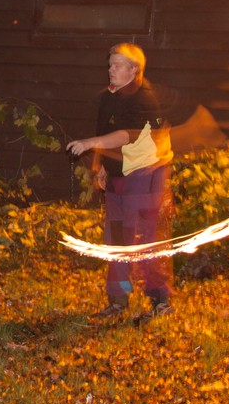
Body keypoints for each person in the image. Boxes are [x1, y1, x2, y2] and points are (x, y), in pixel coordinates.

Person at [66, 43, 175, 322]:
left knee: (144, 239)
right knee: (116, 238)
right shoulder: (110, 97)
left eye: (117, 65)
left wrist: (89, 143)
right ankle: (117, 300)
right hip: (118, 177)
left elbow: (126, 135)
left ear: (134, 70)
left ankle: (160, 301)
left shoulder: (144, 100)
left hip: (144, 177)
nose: (110, 70)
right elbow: (105, 132)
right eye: (110, 65)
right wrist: (101, 165)